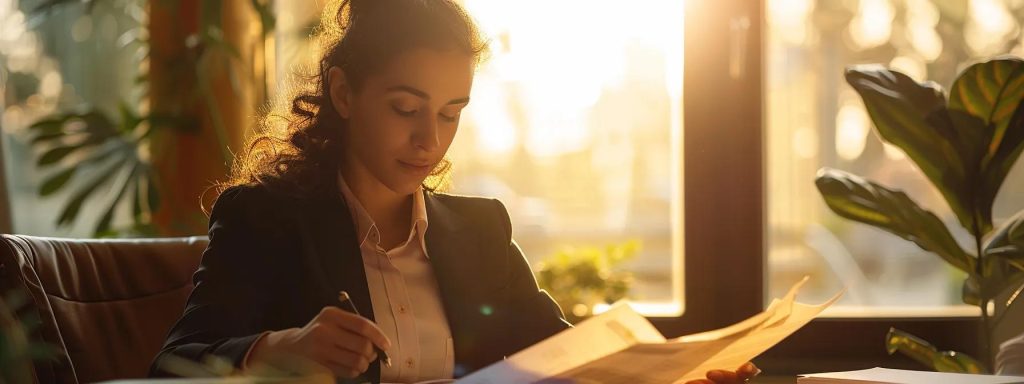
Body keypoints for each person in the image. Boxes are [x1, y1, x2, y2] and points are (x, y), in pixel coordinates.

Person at [150, 1, 759, 383]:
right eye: (406, 108)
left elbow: (570, 359)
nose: (427, 138)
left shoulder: (479, 232)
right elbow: (171, 367)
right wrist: (280, 348)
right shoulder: (265, 219)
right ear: (342, 94)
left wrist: (681, 378)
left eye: (450, 113)